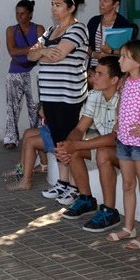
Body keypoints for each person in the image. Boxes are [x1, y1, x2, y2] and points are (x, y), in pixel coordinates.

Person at [27, 0, 89, 205]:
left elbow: (57, 56)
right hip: (50, 95)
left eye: (58, 5)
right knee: (57, 140)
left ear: (71, 8)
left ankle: (73, 186)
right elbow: (30, 55)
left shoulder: (78, 29)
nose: (54, 8)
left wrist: (42, 53)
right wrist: (43, 52)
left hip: (69, 95)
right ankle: (62, 182)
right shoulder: (51, 31)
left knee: (68, 140)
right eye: (52, 4)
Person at [103, 40, 140, 248]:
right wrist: (119, 119)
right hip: (123, 142)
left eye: (124, 57)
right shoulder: (126, 81)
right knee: (128, 185)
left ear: (138, 61)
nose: (120, 60)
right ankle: (129, 228)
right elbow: (123, 103)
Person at [53, 56, 123, 231]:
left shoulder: (124, 98)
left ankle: (110, 211)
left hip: (130, 152)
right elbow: (79, 128)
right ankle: (86, 199)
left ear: (114, 80)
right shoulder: (94, 95)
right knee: (74, 148)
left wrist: (76, 145)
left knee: (100, 152)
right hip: (107, 148)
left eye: (100, 74)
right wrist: (67, 146)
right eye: (95, 72)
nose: (94, 77)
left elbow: (115, 138)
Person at [3, 0, 44, 149]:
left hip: (33, 72)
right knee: (12, 106)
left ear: (30, 14)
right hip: (15, 71)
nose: (19, 17)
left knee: (35, 106)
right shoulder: (11, 30)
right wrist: (32, 48)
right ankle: (10, 138)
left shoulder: (38, 28)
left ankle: (37, 135)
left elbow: (41, 50)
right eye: (17, 14)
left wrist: (29, 50)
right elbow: (12, 51)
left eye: (23, 13)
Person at [86, 0, 134, 73]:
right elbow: (85, 46)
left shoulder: (123, 24)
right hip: (93, 70)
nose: (101, 4)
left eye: (105, 1)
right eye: (100, 0)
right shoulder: (93, 21)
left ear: (115, 4)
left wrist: (111, 51)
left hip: (113, 71)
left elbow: (129, 52)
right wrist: (94, 54)